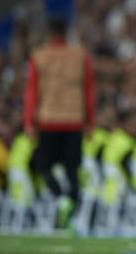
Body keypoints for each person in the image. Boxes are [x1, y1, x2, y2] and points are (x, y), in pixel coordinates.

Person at [23, 17, 96, 226]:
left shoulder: (38, 56)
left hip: (49, 120)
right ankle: (71, 214)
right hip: (74, 120)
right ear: (66, 32)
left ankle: (61, 199)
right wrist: (90, 122)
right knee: (72, 171)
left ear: (49, 33)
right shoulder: (81, 56)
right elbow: (89, 92)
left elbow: (31, 92)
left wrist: (28, 122)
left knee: (43, 165)